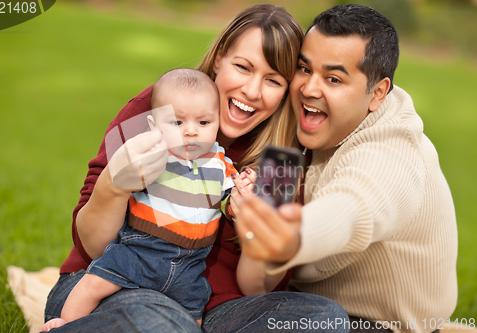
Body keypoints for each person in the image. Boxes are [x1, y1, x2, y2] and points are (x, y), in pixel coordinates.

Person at [43, 4, 349, 333]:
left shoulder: (280, 161)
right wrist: (114, 186)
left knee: (323, 319)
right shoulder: (159, 109)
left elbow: (255, 289)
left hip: (212, 309)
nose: (252, 91)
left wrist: (254, 232)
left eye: (273, 80)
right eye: (243, 67)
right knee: (162, 324)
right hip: (119, 285)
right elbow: (90, 246)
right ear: (219, 58)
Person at [234, 4, 457, 333]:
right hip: (292, 302)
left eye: (333, 78)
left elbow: (353, 205)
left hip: (377, 325)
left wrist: (294, 236)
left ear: (377, 93)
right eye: (304, 69)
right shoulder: (296, 127)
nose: (310, 88)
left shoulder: (392, 152)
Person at [42, 68, 240, 331]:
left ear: (217, 121)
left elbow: (229, 199)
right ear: (154, 126)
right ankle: (64, 324)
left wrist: (241, 199)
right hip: (141, 251)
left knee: (194, 313)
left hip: (189, 265)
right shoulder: (154, 153)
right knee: (94, 283)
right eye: (177, 123)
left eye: (204, 123)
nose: (191, 132)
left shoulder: (221, 164)